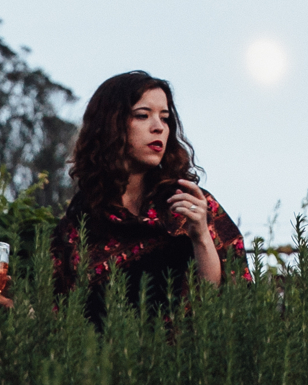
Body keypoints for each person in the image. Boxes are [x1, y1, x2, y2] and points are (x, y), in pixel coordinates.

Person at [51, 71, 246, 324]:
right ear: (110, 124)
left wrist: (201, 237)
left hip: (184, 361)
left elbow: (220, 305)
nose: (159, 127)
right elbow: (60, 323)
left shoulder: (189, 203)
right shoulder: (78, 227)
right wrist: (11, 306)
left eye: (165, 118)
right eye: (143, 115)